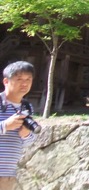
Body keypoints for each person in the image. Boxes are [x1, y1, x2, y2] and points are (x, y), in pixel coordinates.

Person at [0, 61, 37, 190]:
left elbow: (28, 142)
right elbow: (5, 126)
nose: (25, 83)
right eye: (19, 79)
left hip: (7, 176)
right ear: (6, 81)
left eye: (29, 79)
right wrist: (5, 125)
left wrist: (26, 135)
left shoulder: (27, 107)